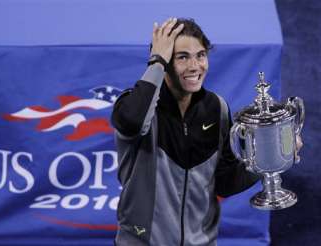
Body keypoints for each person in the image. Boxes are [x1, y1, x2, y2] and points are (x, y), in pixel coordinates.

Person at [111, 17, 260, 246]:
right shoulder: (135, 105)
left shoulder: (216, 108)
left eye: (200, 55)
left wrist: (266, 161)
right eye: (182, 57)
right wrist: (157, 61)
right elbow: (131, 122)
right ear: (163, 62)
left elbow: (225, 182)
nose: (195, 66)